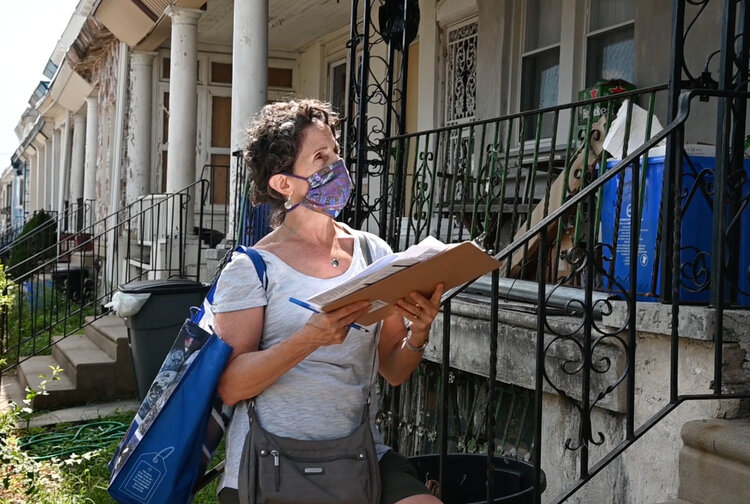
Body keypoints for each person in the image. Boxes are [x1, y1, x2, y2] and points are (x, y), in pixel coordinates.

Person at [212, 98, 444, 504]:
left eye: (335, 151)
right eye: (320, 156)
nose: (336, 164)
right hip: (271, 460)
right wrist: (309, 338)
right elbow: (230, 387)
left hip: (355, 454)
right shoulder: (252, 268)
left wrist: (419, 333)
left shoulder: (374, 253)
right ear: (283, 183)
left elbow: (393, 369)